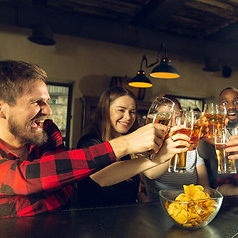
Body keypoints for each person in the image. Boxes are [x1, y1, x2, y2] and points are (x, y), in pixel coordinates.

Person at [0, 60, 188, 218]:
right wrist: (127, 143)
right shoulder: (92, 140)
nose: (48, 111)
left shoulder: (48, 130)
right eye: (36, 102)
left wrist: (157, 157)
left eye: (47, 101)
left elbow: (63, 186)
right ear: (2, 108)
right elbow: (28, 178)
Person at [75, 86, 146, 206]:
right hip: (93, 220)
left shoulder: (132, 146)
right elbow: (102, 178)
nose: (128, 117)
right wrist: (149, 161)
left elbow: (128, 188)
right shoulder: (89, 142)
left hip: (126, 220)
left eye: (132, 112)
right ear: (105, 111)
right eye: (121, 110)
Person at [142, 94, 210, 201]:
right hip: (157, 209)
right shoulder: (149, 145)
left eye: (177, 118)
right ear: (155, 120)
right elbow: (151, 174)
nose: (172, 124)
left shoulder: (191, 145)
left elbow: (205, 186)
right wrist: (173, 147)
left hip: (188, 209)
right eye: (165, 117)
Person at [198, 87, 238, 187]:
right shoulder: (209, 131)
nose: (231, 107)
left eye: (236, 102)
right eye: (225, 103)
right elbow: (204, 154)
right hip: (214, 190)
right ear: (219, 107)